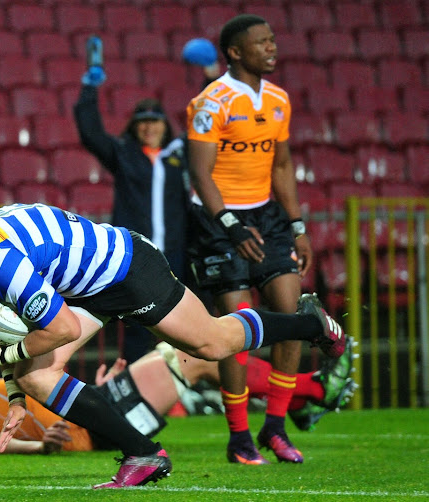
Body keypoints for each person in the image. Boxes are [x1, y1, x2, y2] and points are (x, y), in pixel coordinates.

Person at [0, 203, 346, 488]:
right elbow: (24, 333)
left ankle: (308, 324)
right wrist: (16, 392)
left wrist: (8, 358)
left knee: (213, 343)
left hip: (125, 271)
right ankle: (143, 454)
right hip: (87, 282)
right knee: (36, 376)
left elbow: (60, 330)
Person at [185, 14, 315, 465]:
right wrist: (230, 226)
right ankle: (239, 437)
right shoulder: (210, 101)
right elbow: (199, 173)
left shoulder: (279, 100)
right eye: (262, 42)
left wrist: (296, 226)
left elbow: (281, 167)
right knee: (236, 329)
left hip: (268, 216)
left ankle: (275, 429)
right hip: (217, 220)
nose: (272, 48)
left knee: (292, 315)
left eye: (273, 40)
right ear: (236, 52)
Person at [0, 328, 356, 455]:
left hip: (92, 415)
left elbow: (49, 395)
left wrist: (93, 394)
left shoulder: (0, 375)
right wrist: (40, 449)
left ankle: (304, 399)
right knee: (198, 358)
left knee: (190, 356)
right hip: (85, 435)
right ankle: (313, 390)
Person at [73, 36, 220, 363]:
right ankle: (138, 390)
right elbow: (90, 132)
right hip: (136, 254)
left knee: (183, 321)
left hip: (176, 252)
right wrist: (89, 87)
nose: (149, 128)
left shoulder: (178, 152)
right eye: (142, 123)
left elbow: (208, 118)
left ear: (163, 125)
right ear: (134, 128)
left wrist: (211, 75)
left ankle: (184, 389)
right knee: (140, 324)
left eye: (154, 121)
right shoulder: (124, 154)